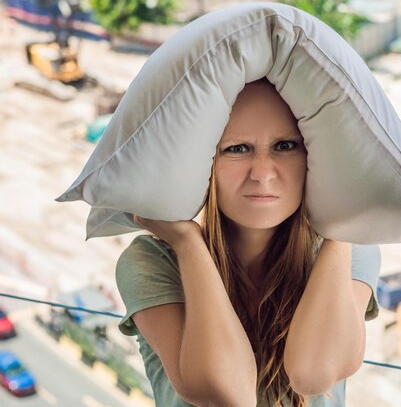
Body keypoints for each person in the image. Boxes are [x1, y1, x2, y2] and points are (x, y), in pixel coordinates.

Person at [115, 78, 381, 407]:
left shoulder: (347, 249)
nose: (262, 174)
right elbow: (229, 394)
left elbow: (312, 374)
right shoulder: (153, 260)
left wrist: (341, 225)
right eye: (237, 149)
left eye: (285, 146)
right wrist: (188, 244)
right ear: (203, 166)